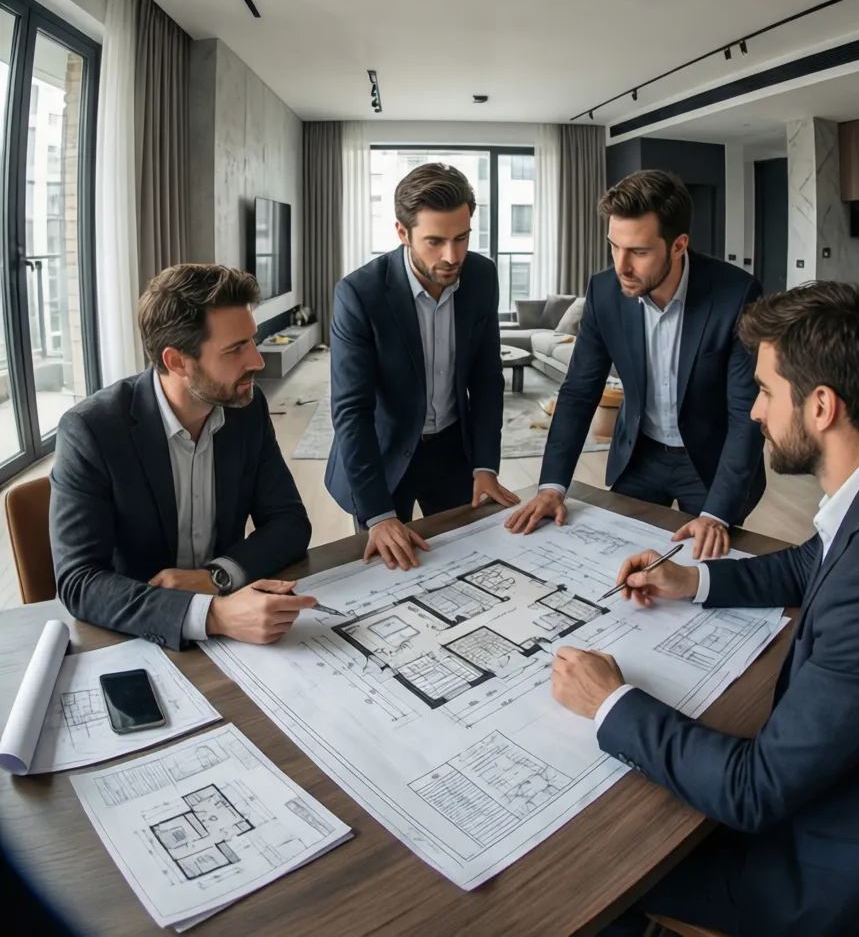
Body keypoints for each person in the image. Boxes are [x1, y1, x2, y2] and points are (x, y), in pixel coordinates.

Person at [550, 282, 859, 937]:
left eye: (765, 391)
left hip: (829, 880)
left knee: (593, 863)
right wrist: (691, 580)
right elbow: (808, 562)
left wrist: (607, 701)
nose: (756, 414)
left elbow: (755, 790)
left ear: (821, 406)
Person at [50, 265, 315, 651]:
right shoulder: (92, 430)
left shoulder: (247, 408)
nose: (257, 361)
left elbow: (290, 522)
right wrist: (211, 614)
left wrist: (216, 578)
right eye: (235, 349)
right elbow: (80, 581)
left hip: (239, 629)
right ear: (176, 362)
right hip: (138, 637)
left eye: (251, 341)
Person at [506, 170, 764, 559]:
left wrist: (716, 513)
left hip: (712, 463)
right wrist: (552, 487)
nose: (621, 266)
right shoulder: (604, 291)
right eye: (614, 247)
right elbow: (578, 393)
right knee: (617, 561)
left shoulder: (737, 293)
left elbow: (747, 413)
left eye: (638, 252)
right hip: (639, 457)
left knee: (701, 571)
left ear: (679, 245)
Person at [326, 162, 518, 570]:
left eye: (462, 238)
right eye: (434, 241)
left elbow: (486, 379)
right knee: (387, 572)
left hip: (452, 451)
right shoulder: (359, 294)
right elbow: (351, 412)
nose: (452, 256)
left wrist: (485, 465)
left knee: (463, 562)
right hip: (383, 456)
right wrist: (378, 516)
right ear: (402, 232)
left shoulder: (482, 276)